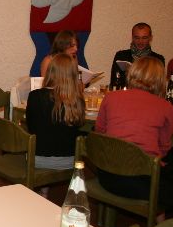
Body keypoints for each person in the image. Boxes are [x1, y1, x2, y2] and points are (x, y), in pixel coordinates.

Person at [96, 56, 173, 215]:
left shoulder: (110, 97)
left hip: (106, 176)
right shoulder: (165, 107)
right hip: (142, 184)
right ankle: (159, 224)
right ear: (160, 80)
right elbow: (164, 148)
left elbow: (99, 133)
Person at [26, 53, 85, 170]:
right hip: (68, 161)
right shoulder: (77, 100)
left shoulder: (34, 96)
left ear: (50, 72)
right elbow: (79, 125)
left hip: (36, 159)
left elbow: (30, 126)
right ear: (73, 75)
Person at [109, 22, 165, 89]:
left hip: (148, 94)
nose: (140, 42)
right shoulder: (121, 56)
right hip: (126, 94)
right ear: (132, 37)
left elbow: (159, 85)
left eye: (144, 38)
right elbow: (114, 82)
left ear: (150, 38)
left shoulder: (158, 59)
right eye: (137, 38)